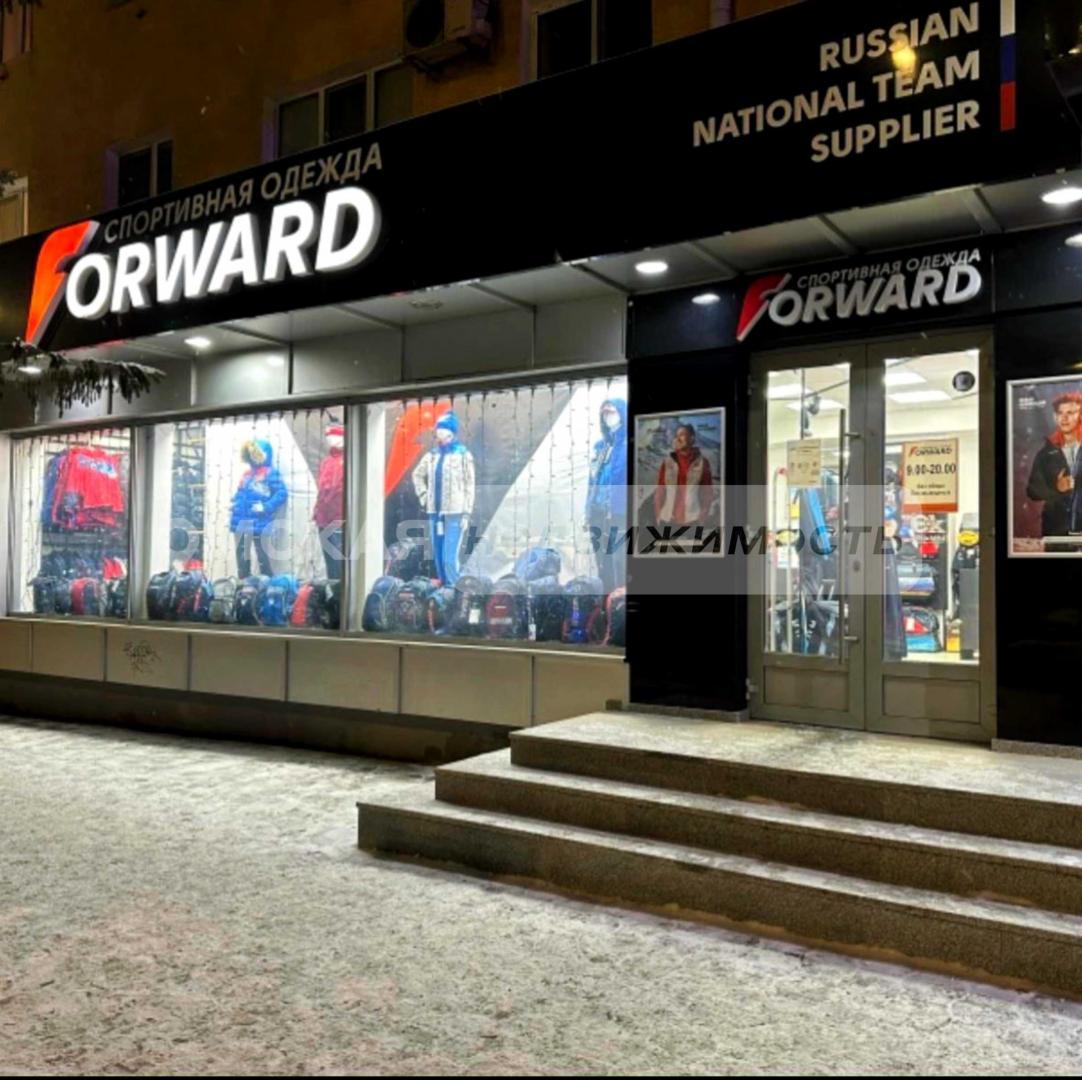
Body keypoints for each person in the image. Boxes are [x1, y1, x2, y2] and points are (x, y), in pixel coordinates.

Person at [412, 412, 475, 586]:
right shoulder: (432, 455)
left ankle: (453, 587)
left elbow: (470, 485)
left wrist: (466, 513)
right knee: (438, 555)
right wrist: (424, 495)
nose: (439, 432)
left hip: (455, 513)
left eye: (443, 429)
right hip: (435, 512)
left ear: (451, 432)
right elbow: (417, 474)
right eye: (438, 429)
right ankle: (442, 587)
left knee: (449, 557)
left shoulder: (463, 455)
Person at [586, 397, 628, 595]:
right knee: (602, 561)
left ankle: (621, 603)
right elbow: (592, 481)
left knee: (620, 561)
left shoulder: (628, 446)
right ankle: (606, 605)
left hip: (620, 513)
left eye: (612, 412)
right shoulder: (600, 447)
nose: (608, 416)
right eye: (604, 413)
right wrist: (588, 510)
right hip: (598, 512)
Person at [1025, 392, 1082, 537]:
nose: (1064, 418)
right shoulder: (1046, 453)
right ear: (1055, 416)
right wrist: (1057, 488)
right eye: (1060, 413)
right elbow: (1032, 491)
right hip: (1056, 530)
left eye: (1070, 413)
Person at [230, 438, 287, 577]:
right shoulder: (247, 474)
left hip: (258, 520)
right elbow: (241, 492)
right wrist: (235, 502)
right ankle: (244, 580)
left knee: (262, 554)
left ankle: (267, 581)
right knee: (242, 554)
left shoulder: (270, 473)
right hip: (241, 519)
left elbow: (282, 493)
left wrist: (266, 506)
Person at [653, 422, 716, 531]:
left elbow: (707, 493)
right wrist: (658, 514)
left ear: (692, 438)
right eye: (677, 436)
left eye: (682, 435)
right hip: (667, 520)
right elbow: (660, 491)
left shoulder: (702, 463)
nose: (678, 439)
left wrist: (702, 516)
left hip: (692, 521)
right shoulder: (668, 462)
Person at [313, 423, 345, 581]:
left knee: (338, 559)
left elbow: (338, 489)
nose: (331, 439)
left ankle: (341, 588)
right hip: (323, 517)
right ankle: (333, 589)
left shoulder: (348, 461)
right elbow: (321, 488)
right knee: (330, 561)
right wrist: (317, 510)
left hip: (339, 516)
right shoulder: (326, 462)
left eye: (336, 435)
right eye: (329, 436)